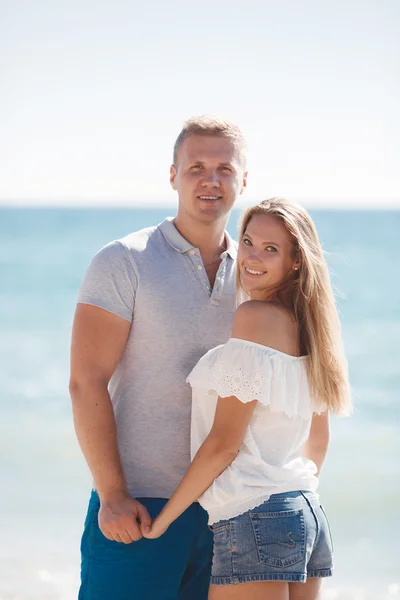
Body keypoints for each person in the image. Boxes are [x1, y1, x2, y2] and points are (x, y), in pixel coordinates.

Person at [69, 115, 248, 600]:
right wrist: (112, 494)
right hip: (139, 508)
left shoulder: (256, 276)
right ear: (173, 176)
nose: (211, 180)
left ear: (243, 180)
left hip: (228, 510)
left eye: (224, 169)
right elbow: (86, 382)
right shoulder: (124, 259)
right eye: (196, 167)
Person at [143, 197, 352, 600]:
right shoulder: (314, 330)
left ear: (296, 261)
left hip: (255, 515)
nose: (252, 258)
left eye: (270, 249)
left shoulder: (255, 316)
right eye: (249, 243)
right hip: (306, 510)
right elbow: (318, 441)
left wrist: (163, 521)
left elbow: (223, 444)